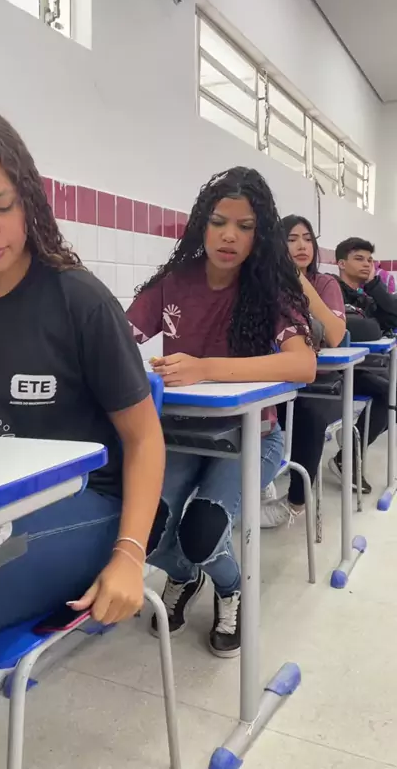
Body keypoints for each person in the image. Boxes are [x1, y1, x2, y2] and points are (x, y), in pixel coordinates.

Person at [0, 106, 165, 769]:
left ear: (28, 196)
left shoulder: (78, 300)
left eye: (1, 205)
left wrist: (130, 554)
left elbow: (145, 440)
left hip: (82, 508)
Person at [126, 168, 316, 658]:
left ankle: (230, 589)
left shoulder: (269, 288)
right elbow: (119, 339)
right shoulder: (174, 282)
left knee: (202, 530)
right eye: (218, 222)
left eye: (245, 226)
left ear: (260, 234)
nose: (230, 235)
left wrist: (204, 367)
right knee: (146, 529)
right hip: (180, 435)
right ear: (201, 226)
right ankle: (185, 576)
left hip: (252, 436)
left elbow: (304, 364)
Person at [260, 215, 346, 528]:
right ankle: (260, 480)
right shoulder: (263, 284)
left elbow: (334, 335)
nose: (302, 246)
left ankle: (295, 503)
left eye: (308, 239)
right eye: (292, 239)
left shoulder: (325, 284)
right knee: (251, 415)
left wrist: (299, 280)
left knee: (308, 416)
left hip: (319, 384)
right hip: (274, 380)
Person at [329, 237, 397, 491]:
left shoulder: (366, 297)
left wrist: (375, 285)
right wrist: (373, 325)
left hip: (359, 368)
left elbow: (393, 318)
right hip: (331, 371)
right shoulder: (330, 287)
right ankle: (348, 455)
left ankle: (348, 451)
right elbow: (356, 328)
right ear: (341, 263)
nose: (367, 264)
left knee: (392, 393)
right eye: (359, 258)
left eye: (370, 260)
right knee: (388, 392)